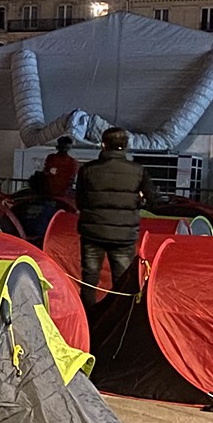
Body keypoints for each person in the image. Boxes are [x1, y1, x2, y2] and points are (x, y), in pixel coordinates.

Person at [75, 127, 164, 299]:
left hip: (93, 233)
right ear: (126, 145)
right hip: (124, 235)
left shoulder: (87, 170)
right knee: (123, 282)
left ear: (103, 145)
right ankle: (118, 320)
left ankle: (87, 319)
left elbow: (80, 201)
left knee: (89, 279)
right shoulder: (138, 171)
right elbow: (153, 200)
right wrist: (138, 201)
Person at [41, 136, 79, 201]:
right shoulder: (72, 162)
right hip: (63, 194)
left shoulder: (51, 158)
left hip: (51, 193)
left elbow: (46, 172)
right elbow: (71, 178)